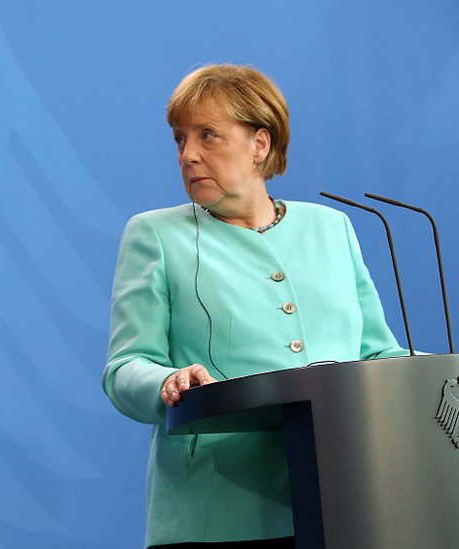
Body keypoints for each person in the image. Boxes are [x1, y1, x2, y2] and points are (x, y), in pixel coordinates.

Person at [102, 64, 408, 548]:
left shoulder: (332, 228)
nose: (188, 155)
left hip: (347, 502)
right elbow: (124, 368)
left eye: (208, 136)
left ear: (260, 145)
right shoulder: (155, 235)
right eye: (180, 139)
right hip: (219, 514)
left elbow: (377, 356)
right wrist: (166, 380)